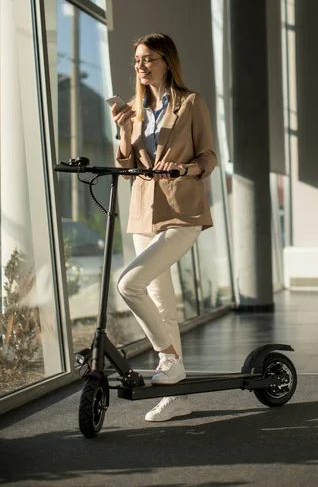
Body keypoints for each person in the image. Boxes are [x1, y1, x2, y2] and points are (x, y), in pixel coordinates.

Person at [111, 32, 217, 422]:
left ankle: (167, 358)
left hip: (181, 212)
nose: (140, 65)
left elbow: (208, 155)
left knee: (129, 284)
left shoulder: (190, 103)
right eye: (137, 59)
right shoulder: (135, 110)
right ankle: (177, 395)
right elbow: (125, 168)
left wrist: (186, 168)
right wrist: (123, 130)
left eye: (148, 59)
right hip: (143, 213)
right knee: (160, 302)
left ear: (166, 62)